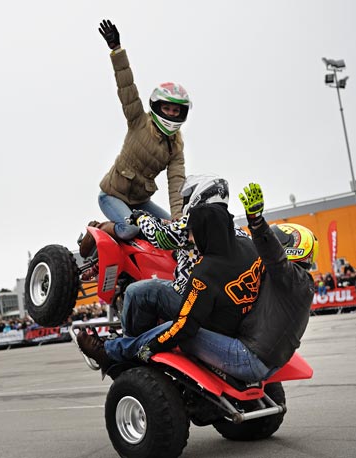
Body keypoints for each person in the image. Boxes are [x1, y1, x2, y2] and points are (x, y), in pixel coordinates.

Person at [77, 201, 264, 378]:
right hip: (253, 337)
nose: (188, 238)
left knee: (145, 299)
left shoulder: (205, 272)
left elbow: (183, 327)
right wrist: (256, 222)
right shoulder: (246, 245)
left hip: (235, 346)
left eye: (192, 232)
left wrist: (144, 349)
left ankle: (115, 355)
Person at [79, 19, 191, 257]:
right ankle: (97, 229)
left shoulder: (176, 147)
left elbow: (176, 186)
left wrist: (179, 221)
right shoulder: (139, 121)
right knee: (130, 228)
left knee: (170, 231)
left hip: (140, 202)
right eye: (167, 108)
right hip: (112, 195)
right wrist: (116, 50)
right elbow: (127, 88)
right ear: (157, 107)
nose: (171, 114)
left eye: (176, 110)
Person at [120, 174, 245, 337]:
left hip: (194, 298)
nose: (185, 202)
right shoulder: (234, 226)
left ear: (200, 195)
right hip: (226, 302)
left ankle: (128, 346)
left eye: (187, 197)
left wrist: (140, 218)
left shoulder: (196, 222)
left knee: (136, 291)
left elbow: (160, 237)